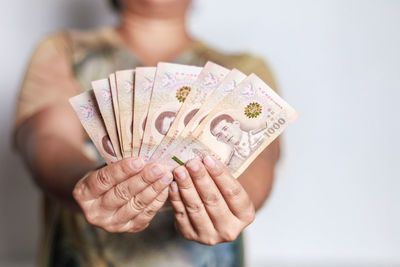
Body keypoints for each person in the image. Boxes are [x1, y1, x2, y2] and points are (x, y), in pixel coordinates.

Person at [14, 0, 281, 266]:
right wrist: (85, 183)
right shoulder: (65, 51)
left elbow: (262, 159)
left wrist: (232, 202)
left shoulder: (244, 69)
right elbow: (47, 138)